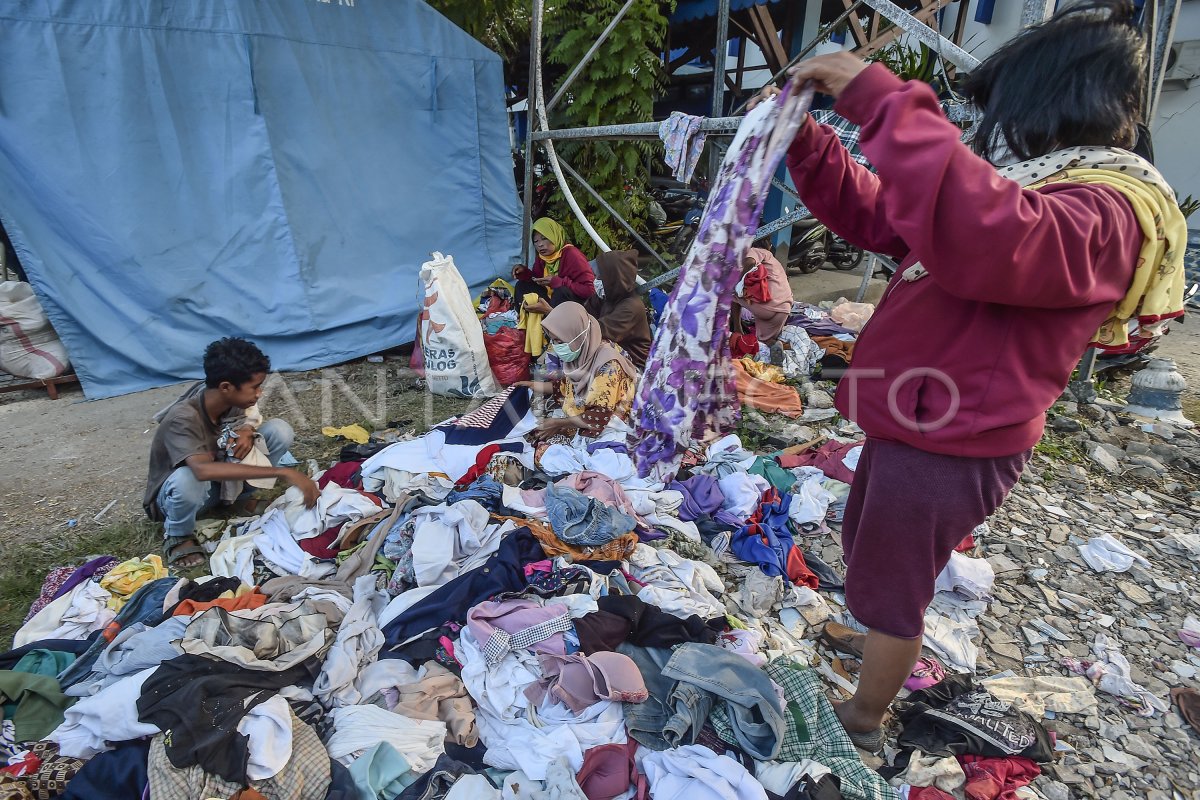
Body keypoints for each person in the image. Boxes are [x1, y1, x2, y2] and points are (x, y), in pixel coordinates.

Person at [753, 0, 1185, 750]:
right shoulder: (1046, 185)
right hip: (924, 421)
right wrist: (810, 140)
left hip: (954, 440)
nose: (998, 134)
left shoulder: (1107, 210)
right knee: (873, 548)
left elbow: (987, 233)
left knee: (895, 582)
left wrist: (879, 96)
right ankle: (877, 646)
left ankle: (863, 717)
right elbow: (889, 217)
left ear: (1051, 102)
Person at [143, 337, 319, 568]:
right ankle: (178, 534)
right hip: (184, 497)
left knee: (278, 431)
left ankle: (237, 500)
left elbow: (244, 421)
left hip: (217, 485)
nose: (259, 393)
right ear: (226, 387)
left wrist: (246, 428)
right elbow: (202, 469)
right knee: (189, 476)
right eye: (255, 387)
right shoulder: (183, 418)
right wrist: (284, 472)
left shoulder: (229, 401)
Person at [517, 302, 639, 451]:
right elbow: (564, 387)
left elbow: (600, 416)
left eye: (560, 341)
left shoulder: (608, 365)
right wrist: (531, 385)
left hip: (608, 425)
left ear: (577, 334)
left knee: (540, 450)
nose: (556, 347)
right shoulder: (582, 354)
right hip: (583, 418)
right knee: (532, 435)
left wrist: (557, 423)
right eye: (553, 340)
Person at [585, 249, 652, 370]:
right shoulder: (606, 296)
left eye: (599, 277)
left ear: (612, 278)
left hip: (633, 365)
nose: (595, 280)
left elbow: (598, 331)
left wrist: (550, 313)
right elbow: (583, 313)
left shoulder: (631, 307)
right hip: (612, 357)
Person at [515, 217, 595, 315]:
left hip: (575, 308)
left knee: (561, 291)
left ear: (555, 236)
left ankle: (553, 324)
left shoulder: (572, 255)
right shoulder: (543, 257)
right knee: (522, 285)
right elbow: (536, 279)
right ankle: (524, 319)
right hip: (551, 301)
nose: (540, 244)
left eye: (544, 239)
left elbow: (590, 290)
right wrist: (524, 273)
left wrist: (559, 282)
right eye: (536, 241)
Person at [731, 246, 794, 346]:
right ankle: (776, 345)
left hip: (765, 306)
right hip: (784, 308)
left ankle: (737, 329)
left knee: (731, 294)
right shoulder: (774, 262)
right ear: (769, 245)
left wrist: (734, 284)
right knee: (764, 343)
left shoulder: (757, 251)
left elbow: (750, 262)